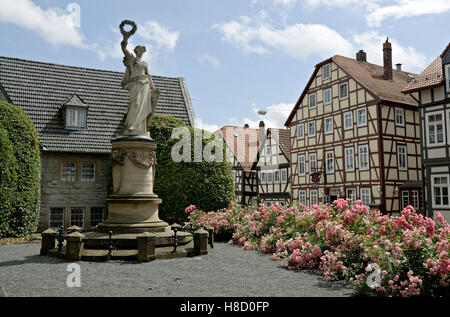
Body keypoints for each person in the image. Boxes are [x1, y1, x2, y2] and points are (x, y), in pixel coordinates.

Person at [120, 33, 157, 133]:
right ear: (135, 51)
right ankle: (131, 124)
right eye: (139, 50)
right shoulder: (132, 59)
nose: (141, 52)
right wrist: (125, 38)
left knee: (143, 105)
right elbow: (123, 48)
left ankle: (141, 128)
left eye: (142, 51)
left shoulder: (145, 63)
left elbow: (148, 75)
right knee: (135, 104)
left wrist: (153, 88)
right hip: (135, 84)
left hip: (144, 84)